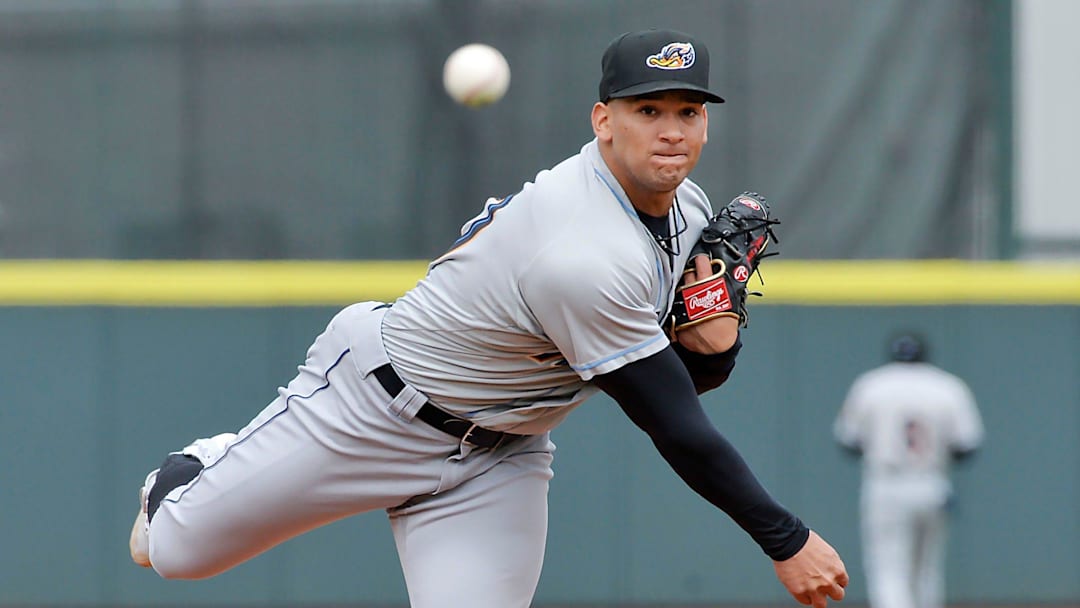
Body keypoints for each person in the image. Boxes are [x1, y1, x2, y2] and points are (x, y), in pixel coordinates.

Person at [129, 28, 848, 608]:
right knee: (173, 553)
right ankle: (209, 461)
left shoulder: (686, 210)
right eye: (647, 110)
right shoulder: (580, 251)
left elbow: (689, 380)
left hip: (499, 454)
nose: (671, 132)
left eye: (687, 112)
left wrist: (717, 338)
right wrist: (784, 539)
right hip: (373, 409)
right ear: (603, 121)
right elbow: (674, 423)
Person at [833, 332, 984, 608]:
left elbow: (848, 440)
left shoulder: (871, 384)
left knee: (889, 570)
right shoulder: (948, 386)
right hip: (932, 483)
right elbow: (967, 446)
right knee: (927, 571)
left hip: (886, 484)